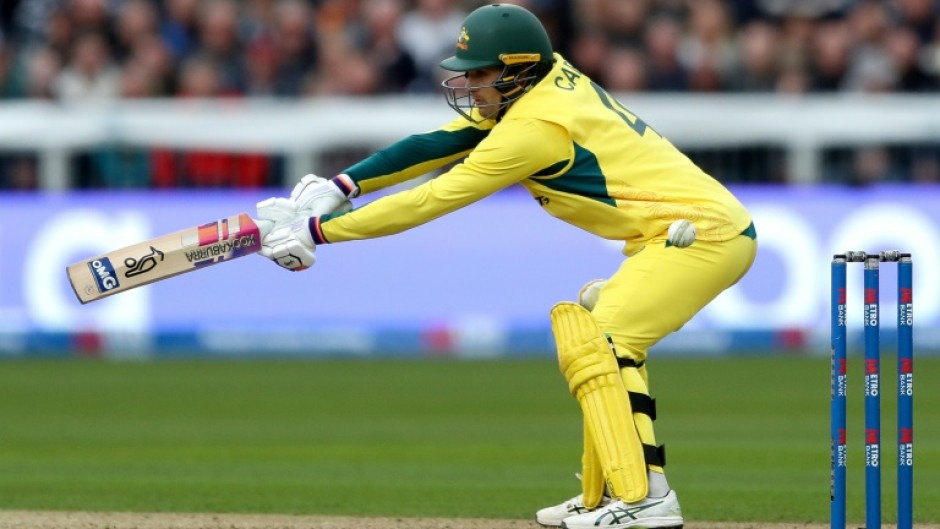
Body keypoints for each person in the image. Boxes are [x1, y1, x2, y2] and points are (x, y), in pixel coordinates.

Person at [257, 4, 757, 528]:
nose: (470, 85)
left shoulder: (534, 129)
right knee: (594, 328)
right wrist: (341, 186)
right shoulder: (546, 80)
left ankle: (647, 498)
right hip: (677, 232)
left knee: (605, 340)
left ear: (519, 69)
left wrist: (320, 231)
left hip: (704, 235)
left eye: (480, 74)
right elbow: (444, 139)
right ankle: (607, 493)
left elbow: (432, 198)